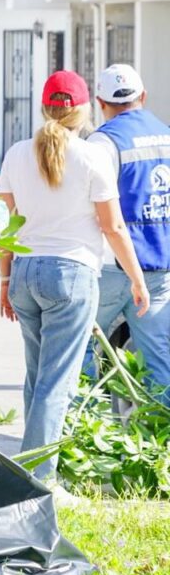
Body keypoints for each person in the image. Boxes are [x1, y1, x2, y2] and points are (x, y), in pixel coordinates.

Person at [0, 70, 150, 481]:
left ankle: (29, 469)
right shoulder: (91, 155)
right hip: (71, 274)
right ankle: (38, 478)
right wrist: (136, 278)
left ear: (44, 107)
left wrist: (4, 280)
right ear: (83, 110)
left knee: (37, 376)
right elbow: (113, 227)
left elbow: (6, 226)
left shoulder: (16, 153)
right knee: (56, 382)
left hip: (26, 272)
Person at [88, 64, 170, 402]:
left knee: (79, 346)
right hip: (160, 265)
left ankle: (83, 438)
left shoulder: (102, 142)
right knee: (158, 361)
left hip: (111, 264)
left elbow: (94, 206)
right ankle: (161, 441)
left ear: (100, 102)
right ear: (143, 96)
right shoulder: (166, 134)